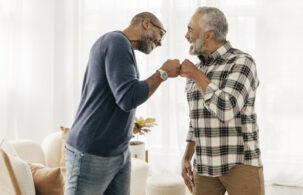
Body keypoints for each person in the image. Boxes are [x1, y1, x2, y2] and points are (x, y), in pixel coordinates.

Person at [64, 12, 180, 195]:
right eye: (161, 34)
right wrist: (163, 73)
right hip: (92, 153)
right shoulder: (116, 42)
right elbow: (128, 98)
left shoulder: (121, 46)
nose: (160, 42)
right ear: (146, 23)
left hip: (118, 153)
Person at [179, 7, 265, 195]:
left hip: (240, 163)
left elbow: (226, 109)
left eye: (191, 29)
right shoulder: (198, 68)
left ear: (208, 35)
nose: (186, 35)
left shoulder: (242, 62)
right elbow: (196, 118)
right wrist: (187, 156)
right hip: (204, 165)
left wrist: (196, 74)